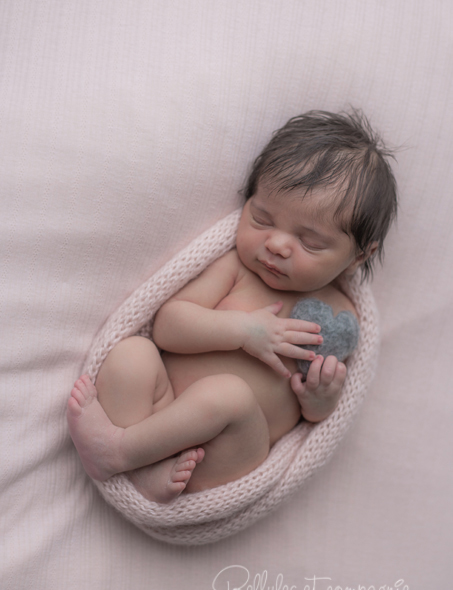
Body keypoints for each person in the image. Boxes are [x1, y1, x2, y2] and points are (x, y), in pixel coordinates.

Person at [67, 110, 397, 503]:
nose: (277, 245)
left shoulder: (343, 315)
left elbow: (313, 420)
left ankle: (117, 452)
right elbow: (167, 327)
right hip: (159, 409)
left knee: (229, 395)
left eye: (310, 242)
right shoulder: (236, 268)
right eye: (261, 218)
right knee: (130, 353)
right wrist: (242, 331)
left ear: (359, 257)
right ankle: (143, 462)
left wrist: (320, 398)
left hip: (228, 450)